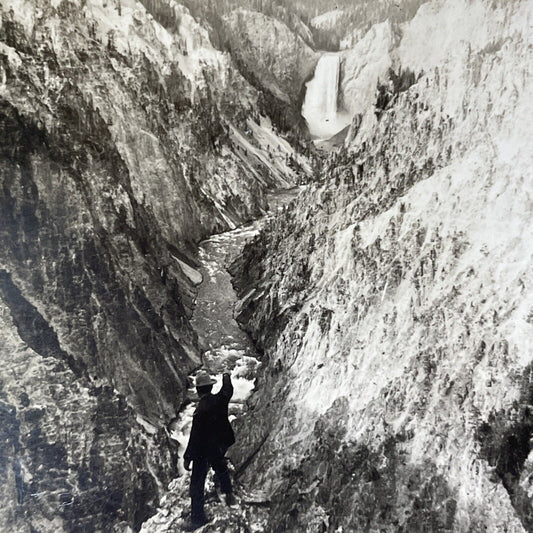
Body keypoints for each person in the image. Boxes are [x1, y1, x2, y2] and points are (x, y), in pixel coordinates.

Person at [184, 371, 236, 528]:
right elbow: (228, 389)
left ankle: (197, 520)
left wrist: (187, 457)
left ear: (199, 391)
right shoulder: (220, 399)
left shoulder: (199, 411)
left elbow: (194, 437)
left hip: (204, 450)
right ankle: (229, 495)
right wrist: (226, 376)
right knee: (221, 467)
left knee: (197, 485)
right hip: (220, 444)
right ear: (211, 387)